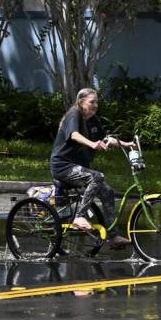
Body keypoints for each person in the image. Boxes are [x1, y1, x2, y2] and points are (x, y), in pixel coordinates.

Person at [50, 87, 133, 249]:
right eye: (92, 102)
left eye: (97, 102)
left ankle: (113, 236)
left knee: (107, 191)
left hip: (79, 168)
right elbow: (74, 135)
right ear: (81, 102)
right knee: (97, 176)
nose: (95, 105)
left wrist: (126, 144)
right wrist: (92, 144)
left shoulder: (93, 119)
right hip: (63, 166)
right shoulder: (74, 114)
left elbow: (106, 139)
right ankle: (79, 217)